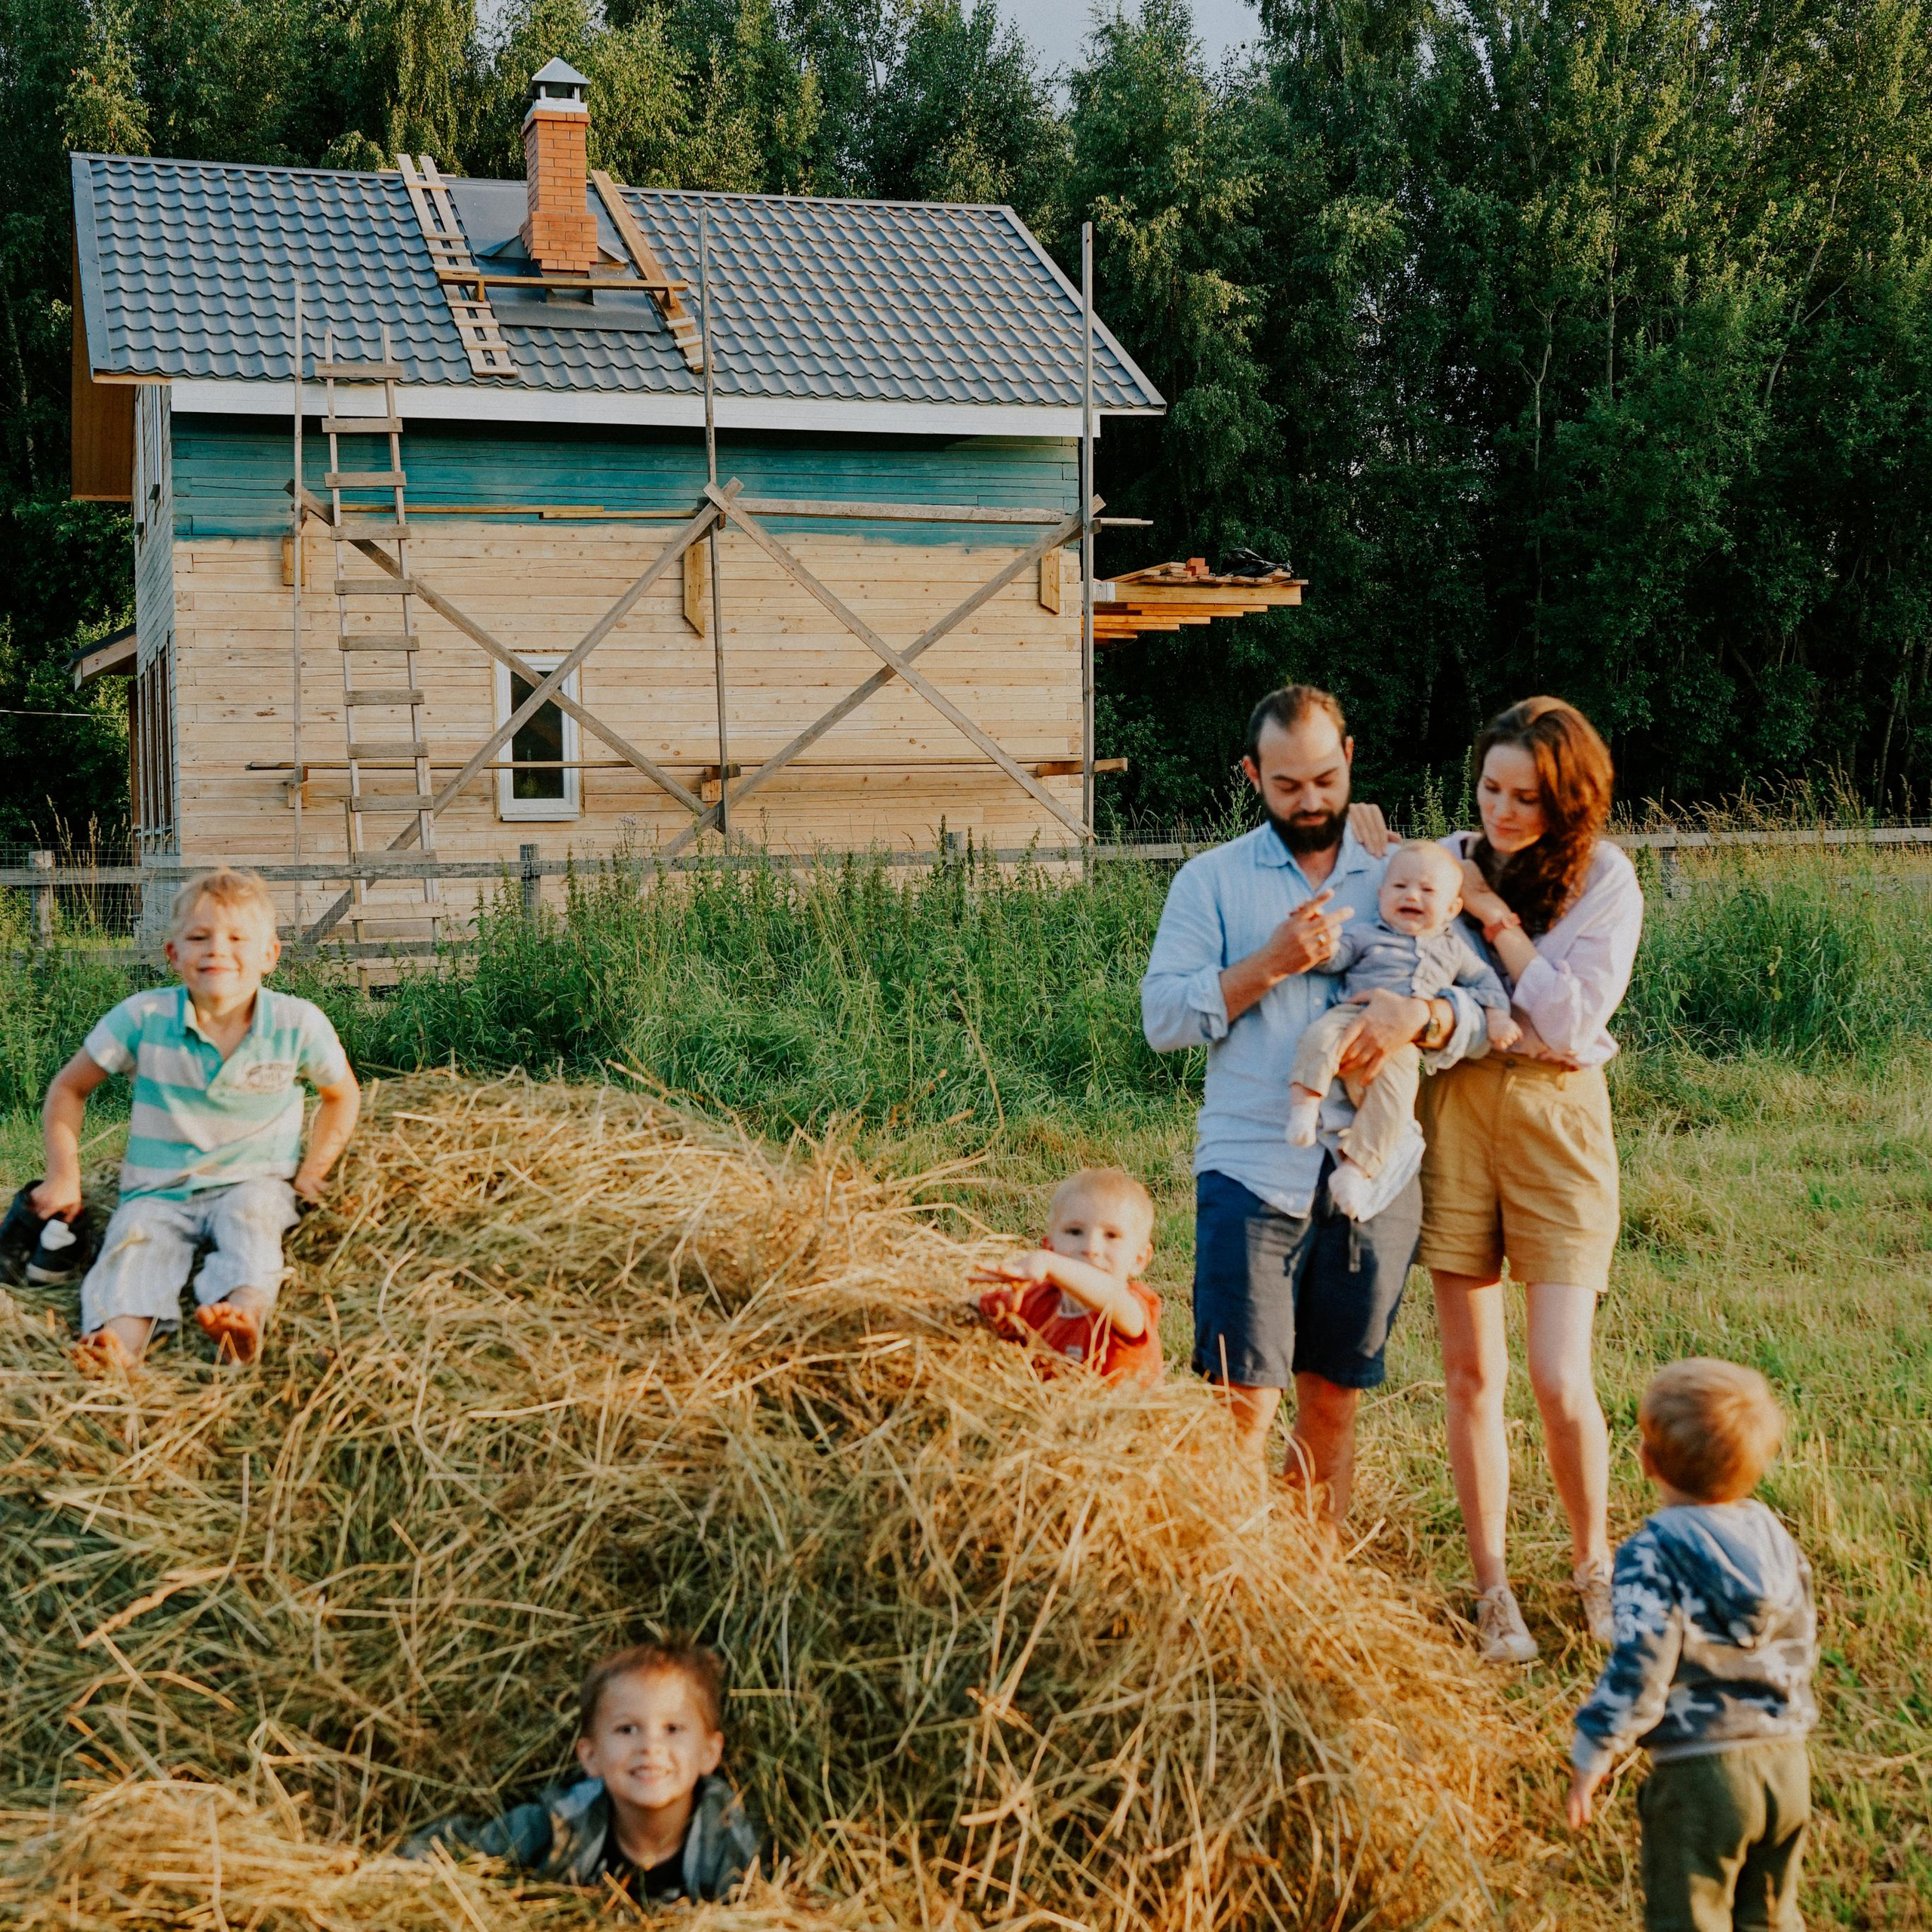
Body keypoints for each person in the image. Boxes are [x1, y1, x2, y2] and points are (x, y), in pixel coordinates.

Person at [1140, 685, 1484, 1519]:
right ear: (1252, 774)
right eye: (1287, 785)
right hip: (1253, 1163)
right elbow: (1162, 1018)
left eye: (1325, 779)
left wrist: (1428, 1016)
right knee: (1241, 1400)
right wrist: (1270, 962)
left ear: (1350, 760)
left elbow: (1482, 1004)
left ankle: (1313, 1589)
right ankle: (1229, 1583)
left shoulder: (1401, 870)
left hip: (1377, 1169)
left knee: (1332, 1400)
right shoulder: (1210, 880)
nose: (1311, 801)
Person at [1419, 696, 1643, 1660]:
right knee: (1472, 1374)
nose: (1503, 812)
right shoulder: (1442, 854)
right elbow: (1405, 970)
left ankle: (1594, 1566)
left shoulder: (1606, 879)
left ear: (1569, 798)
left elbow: (1565, 1022)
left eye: (1527, 796)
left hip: (1559, 1125)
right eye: (1490, 788)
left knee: (1558, 1375)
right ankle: (1492, 1588)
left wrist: (1489, 914)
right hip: (1457, 1112)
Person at [34, 866, 360, 1371]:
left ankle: (242, 1322)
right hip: (158, 1190)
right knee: (135, 1243)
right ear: (174, 954)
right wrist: (63, 1175)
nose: (216, 950)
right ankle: (117, 1344)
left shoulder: (298, 1024)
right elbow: (68, 1089)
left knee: (253, 1227)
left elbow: (341, 1095)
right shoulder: (142, 1018)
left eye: (236, 938)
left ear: (270, 954)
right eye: (198, 937)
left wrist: (315, 1170)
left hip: (253, 1181)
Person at [1570, 1359, 1815, 1932]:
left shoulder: (1652, 1551)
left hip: (1703, 1776)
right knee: (1773, 1917)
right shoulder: (1773, 1536)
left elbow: (1641, 1668)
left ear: (1646, 1460)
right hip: (1787, 1764)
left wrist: (1594, 1748)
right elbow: (1803, 1639)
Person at [405, 1640, 761, 1903]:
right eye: (627, 1729)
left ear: (709, 1753)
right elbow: (448, 1856)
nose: (650, 1747)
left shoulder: (730, 1840)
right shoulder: (557, 1825)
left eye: (672, 1729)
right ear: (590, 1757)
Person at [1287, 839, 1518, 1217]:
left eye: (1427, 890)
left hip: (1404, 1045)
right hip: (1351, 1013)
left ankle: (1357, 1168)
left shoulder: (1455, 950)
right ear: (1381, 894)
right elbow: (1334, 959)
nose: (1411, 895)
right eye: (1399, 887)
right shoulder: (1367, 934)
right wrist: (1321, 945)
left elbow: (1486, 983)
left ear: (1452, 908)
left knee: (1396, 1099)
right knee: (1319, 1037)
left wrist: (1498, 1016)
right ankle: (1305, 1105)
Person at [971, 1167, 1162, 1388]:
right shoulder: (1037, 1301)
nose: (1091, 1248)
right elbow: (970, 1308)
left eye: (1111, 1235)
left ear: (1139, 1259)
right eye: (1075, 1232)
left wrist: (1048, 1263)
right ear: (1050, 1246)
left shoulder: (1131, 1307)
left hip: (1123, 1421)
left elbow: (1113, 1297)